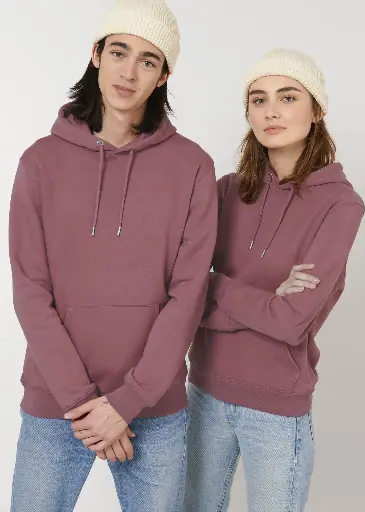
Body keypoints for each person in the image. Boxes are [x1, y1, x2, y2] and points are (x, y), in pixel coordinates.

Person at [9, 0, 217, 510]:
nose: (129, 72)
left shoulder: (192, 166)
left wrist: (128, 401)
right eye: (119, 52)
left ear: (164, 75)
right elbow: (30, 291)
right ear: (96, 55)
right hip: (58, 404)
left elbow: (188, 295)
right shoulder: (40, 162)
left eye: (148, 60)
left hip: (154, 409)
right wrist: (86, 405)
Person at [185, 48, 365, 512]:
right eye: (258, 99)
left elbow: (290, 322)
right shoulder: (226, 190)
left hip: (276, 409)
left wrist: (215, 285)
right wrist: (261, 299)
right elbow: (182, 290)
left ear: (316, 110)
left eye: (288, 97)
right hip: (203, 392)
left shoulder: (340, 205)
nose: (271, 111)